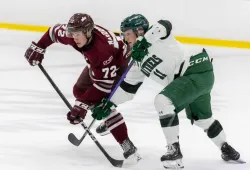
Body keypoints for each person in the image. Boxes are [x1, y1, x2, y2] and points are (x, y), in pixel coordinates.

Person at [91, 14, 241, 169]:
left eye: (128, 33)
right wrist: (109, 104)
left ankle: (174, 151)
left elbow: (164, 25)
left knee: (163, 101)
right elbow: (128, 88)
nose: (125, 38)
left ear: (140, 31)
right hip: (195, 79)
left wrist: (144, 42)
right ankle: (226, 148)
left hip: (194, 68)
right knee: (202, 119)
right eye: (123, 34)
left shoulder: (157, 37)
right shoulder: (137, 61)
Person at [24, 13, 141, 165]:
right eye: (72, 33)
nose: (74, 38)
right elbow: (53, 32)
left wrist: (82, 106)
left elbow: (103, 86)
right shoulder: (74, 34)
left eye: (77, 34)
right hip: (99, 65)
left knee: (102, 104)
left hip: (119, 64)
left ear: (87, 32)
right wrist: (39, 47)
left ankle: (126, 143)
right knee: (80, 91)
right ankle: (110, 121)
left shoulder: (101, 51)